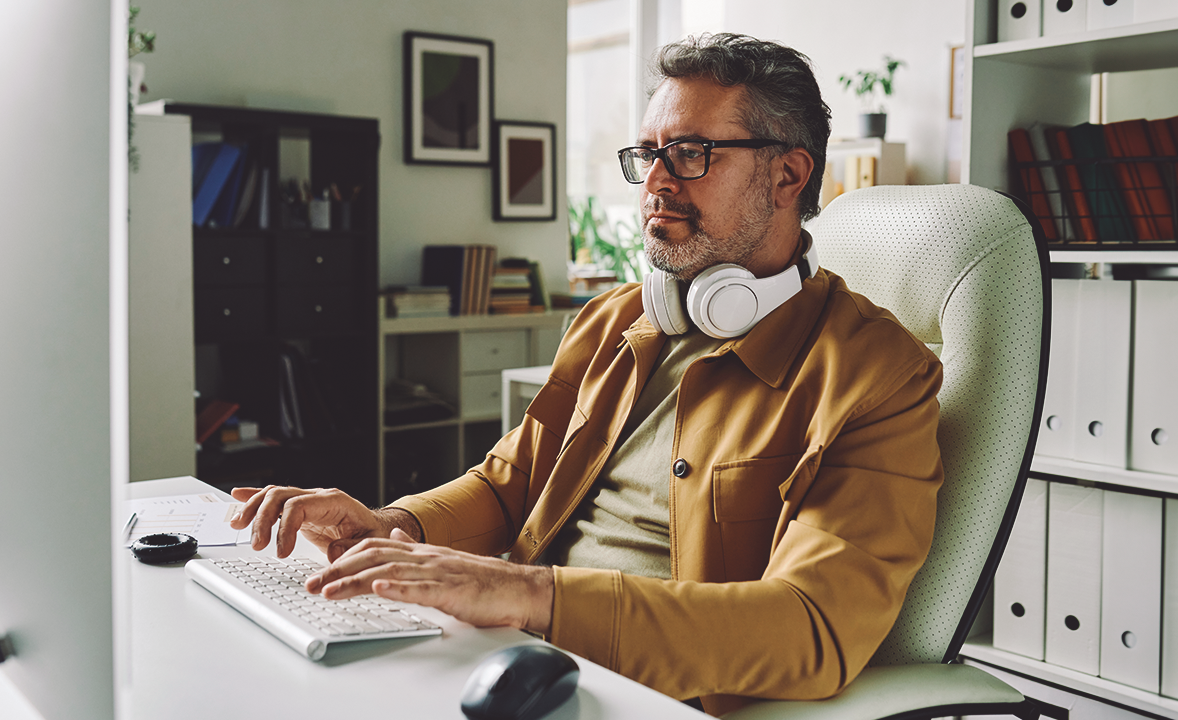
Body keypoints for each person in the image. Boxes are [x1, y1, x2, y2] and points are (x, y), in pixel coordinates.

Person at [231, 33, 943, 716]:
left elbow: (812, 627)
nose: (655, 184)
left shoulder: (880, 379)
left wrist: (532, 596)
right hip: (514, 654)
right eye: (649, 155)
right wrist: (394, 526)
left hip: (650, 689)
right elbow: (509, 483)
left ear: (788, 173)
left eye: (691, 154)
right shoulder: (618, 319)